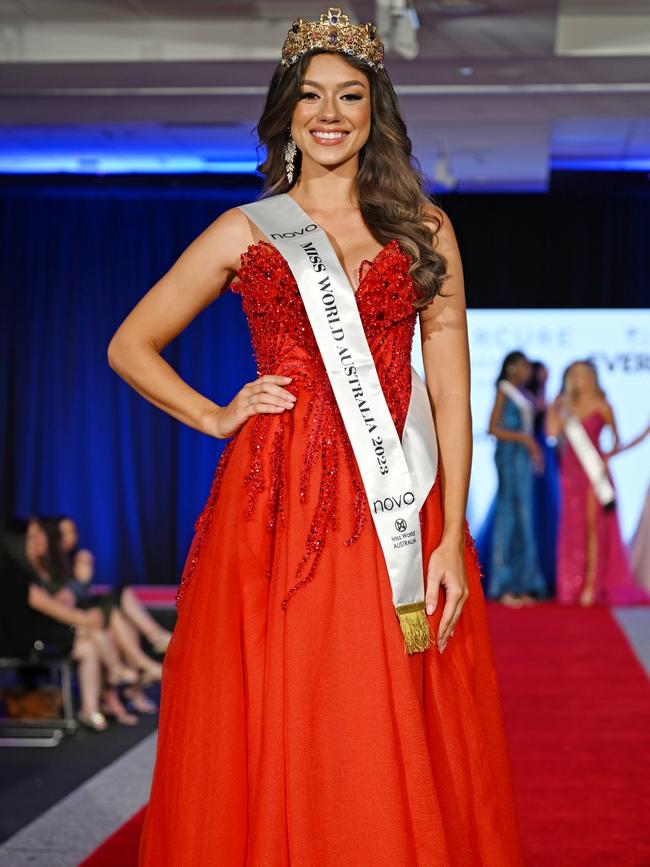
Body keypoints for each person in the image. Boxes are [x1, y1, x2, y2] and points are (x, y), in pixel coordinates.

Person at [108, 8, 524, 865]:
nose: (329, 112)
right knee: (283, 701)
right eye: (311, 96)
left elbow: (450, 385)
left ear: (376, 111)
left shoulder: (424, 228)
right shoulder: (246, 229)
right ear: (286, 111)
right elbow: (130, 345)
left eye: (349, 95)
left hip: (395, 504)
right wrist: (217, 414)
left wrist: (450, 534)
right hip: (275, 503)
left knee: (387, 700)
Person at [547, 360, 648, 606]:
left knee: (594, 527)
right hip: (570, 474)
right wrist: (555, 407)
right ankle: (571, 583)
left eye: (585, 373)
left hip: (595, 474)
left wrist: (608, 457)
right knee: (572, 527)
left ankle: (591, 586)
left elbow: (616, 440)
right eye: (576, 374)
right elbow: (551, 433)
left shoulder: (603, 405)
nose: (582, 378)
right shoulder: (564, 405)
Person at [1, 518, 108, 731]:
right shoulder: (13, 572)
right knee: (88, 638)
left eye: (40, 535)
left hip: (34, 634)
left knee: (90, 635)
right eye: (32, 537)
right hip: (20, 642)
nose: (41, 540)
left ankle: (92, 707)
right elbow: (48, 606)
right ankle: (95, 703)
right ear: (17, 541)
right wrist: (84, 619)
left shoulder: (34, 568)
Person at [486, 350, 546, 606]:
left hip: (522, 458)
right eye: (523, 367)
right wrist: (524, 439)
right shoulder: (504, 390)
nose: (528, 372)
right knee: (510, 515)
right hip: (510, 457)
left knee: (524, 518)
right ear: (512, 367)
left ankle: (524, 582)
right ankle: (504, 583)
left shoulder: (522, 392)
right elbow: (492, 428)